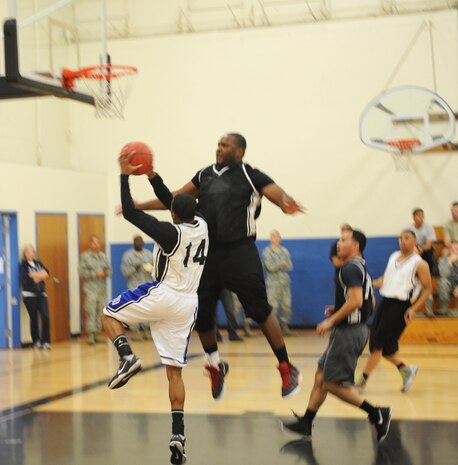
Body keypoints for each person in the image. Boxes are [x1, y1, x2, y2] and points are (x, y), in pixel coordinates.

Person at [136, 133, 304, 400]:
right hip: (209, 253)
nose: (219, 148)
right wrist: (140, 205)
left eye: (225, 145)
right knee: (201, 315)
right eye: (218, 144)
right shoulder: (205, 175)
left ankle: (286, 367)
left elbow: (275, 192)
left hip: (241, 251)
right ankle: (215, 366)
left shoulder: (250, 175)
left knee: (260, 312)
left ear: (239, 152)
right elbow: (177, 197)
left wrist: (285, 201)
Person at [102, 151, 208, 465]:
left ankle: (127, 356)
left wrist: (124, 175)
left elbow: (132, 213)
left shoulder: (169, 232)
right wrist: (152, 175)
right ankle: (178, 435)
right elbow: (171, 199)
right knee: (174, 372)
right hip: (188, 304)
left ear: (172, 213)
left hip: (165, 294)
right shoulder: (202, 224)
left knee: (109, 314)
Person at [282, 229, 392, 444]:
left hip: (349, 333)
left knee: (332, 383)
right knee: (321, 376)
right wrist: (340, 309)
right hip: (353, 329)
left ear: (356, 245)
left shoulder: (349, 268)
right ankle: (307, 422)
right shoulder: (361, 267)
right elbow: (370, 303)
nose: (338, 244)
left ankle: (377, 413)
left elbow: (357, 301)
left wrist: (332, 320)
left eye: (343, 240)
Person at [356, 230, 432, 393]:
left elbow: (428, 289)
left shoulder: (419, 263)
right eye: (400, 238)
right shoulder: (393, 256)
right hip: (386, 302)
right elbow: (387, 277)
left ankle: (362, 380)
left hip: (400, 307)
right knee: (386, 349)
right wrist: (375, 282)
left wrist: (413, 308)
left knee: (377, 343)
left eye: (407, 238)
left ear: (414, 241)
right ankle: (406, 369)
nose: (402, 241)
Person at [79, 235, 112, 345]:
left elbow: (109, 270)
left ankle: (97, 334)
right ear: (90, 244)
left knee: (100, 312)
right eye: (95, 243)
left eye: (98, 243)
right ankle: (91, 336)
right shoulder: (85, 257)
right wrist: (95, 274)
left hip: (101, 289)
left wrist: (106, 273)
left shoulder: (103, 256)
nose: (97, 245)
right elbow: (81, 273)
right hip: (91, 289)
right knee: (91, 311)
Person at [121, 235, 154, 340]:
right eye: (137, 241)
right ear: (134, 243)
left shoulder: (149, 254)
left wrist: (151, 269)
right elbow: (125, 272)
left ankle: (147, 331)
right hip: (134, 287)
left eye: (141, 241)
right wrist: (134, 268)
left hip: (147, 286)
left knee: (147, 310)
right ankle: (135, 332)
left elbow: (156, 269)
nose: (139, 243)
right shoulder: (128, 256)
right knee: (134, 310)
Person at [262, 230, 294, 336]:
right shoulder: (267, 251)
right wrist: (281, 264)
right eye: (274, 237)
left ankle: (285, 327)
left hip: (285, 282)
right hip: (273, 283)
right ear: (271, 239)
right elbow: (270, 268)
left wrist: (278, 265)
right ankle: (273, 330)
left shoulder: (285, 251)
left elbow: (289, 266)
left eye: (278, 237)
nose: (276, 239)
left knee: (287, 306)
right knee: (273, 307)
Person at [19, 244, 51, 350]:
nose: (29, 254)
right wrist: (40, 276)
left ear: (34, 253)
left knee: (45, 316)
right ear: (25, 254)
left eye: (31, 251)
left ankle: (46, 341)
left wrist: (35, 275)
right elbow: (26, 281)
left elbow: (47, 273)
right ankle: (36, 341)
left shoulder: (38, 263)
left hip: (41, 294)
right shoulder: (23, 266)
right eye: (27, 252)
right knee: (34, 318)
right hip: (29, 295)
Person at [329, 224, 353, 307]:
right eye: (344, 231)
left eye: (348, 231)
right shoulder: (335, 245)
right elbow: (337, 263)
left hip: (353, 280)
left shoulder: (355, 245)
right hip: (340, 280)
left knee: (352, 303)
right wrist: (350, 259)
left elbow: (360, 261)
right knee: (340, 305)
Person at [437, 241, 458, 315]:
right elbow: (444, 275)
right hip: (448, 285)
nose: (454, 251)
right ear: (449, 250)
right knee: (443, 282)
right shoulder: (442, 260)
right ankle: (444, 308)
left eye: (456, 249)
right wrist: (449, 262)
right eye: (452, 249)